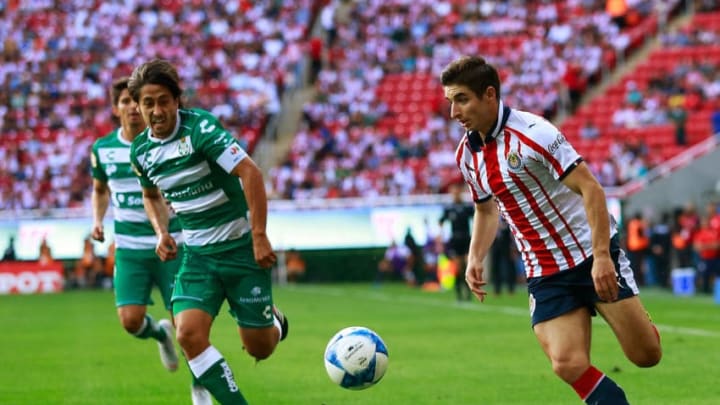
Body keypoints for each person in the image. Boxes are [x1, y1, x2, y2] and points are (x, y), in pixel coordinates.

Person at [440, 56, 661, 404]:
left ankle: (641, 324)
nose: (454, 112)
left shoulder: (535, 133)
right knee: (567, 363)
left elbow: (592, 189)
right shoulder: (467, 155)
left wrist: (603, 256)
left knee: (646, 355)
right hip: (544, 270)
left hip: (590, 255)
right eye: (450, 101)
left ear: (489, 95)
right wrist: (474, 257)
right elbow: (485, 209)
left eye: (461, 99)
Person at [127, 59, 288, 405]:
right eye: (148, 103)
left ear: (176, 100)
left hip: (241, 251)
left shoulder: (200, 129)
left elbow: (251, 173)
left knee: (260, 348)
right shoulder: (140, 152)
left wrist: (259, 236)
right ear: (138, 106)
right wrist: (161, 231)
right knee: (188, 334)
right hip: (198, 258)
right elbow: (151, 195)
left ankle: (276, 324)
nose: (156, 110)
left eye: (163, 101)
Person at [89, 77, 190, 398]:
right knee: (130, 322)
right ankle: (160, 336)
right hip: (131, 247)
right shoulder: (103, 149)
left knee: (189, 327)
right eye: (125, 102)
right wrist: (97, 220)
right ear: (115, 108)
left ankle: (200, 386)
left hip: (172, 244)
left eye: (136, 101)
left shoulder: (164, 142)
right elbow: (100, 189)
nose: (132, 107)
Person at [438, 182, 474, 301]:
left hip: (466, 238)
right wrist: (440, 238)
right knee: (458, 267)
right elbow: (441, 222)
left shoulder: (467, 207)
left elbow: (477, 217)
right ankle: (459, 294)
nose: (456, 194)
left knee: (467, 265)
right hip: (455, 240)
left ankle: (468, 293)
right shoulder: (449, 208)